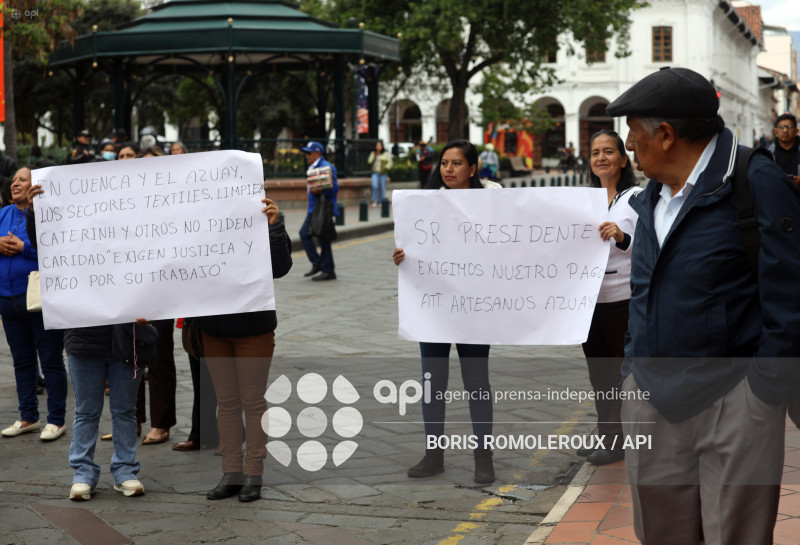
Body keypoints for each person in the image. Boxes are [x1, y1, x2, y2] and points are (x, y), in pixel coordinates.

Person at [607, 67, 800, 544]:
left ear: (667, 135)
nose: (629, 144)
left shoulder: (754, 183)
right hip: (652, 397)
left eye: (633, 131)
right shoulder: (650, 195)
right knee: (660, 533)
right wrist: (632, 370)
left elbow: (790, 297)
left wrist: (761, 392)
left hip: (734, 399)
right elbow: (645, 288)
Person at [23, 182, 145, 500]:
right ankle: (83, 473)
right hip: (82, 340)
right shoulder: (70, 245)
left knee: (124, 410)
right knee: (87, 411)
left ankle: (125, 471)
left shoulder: (138, 243)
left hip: (126, 340)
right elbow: (44, 245)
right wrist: (36, 214)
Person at [392, 140, 501, 484]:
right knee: (432, 382)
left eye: (456, 163)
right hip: (434, 309)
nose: (448, 169)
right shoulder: (426, 205)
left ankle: (484, 457)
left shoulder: (493, 202)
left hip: (473, 309)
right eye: (444, 163)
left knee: (477, 382)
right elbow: (413, 248)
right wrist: (402, 257)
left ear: (473, 168)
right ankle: (433, 454)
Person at [198, 194, 292, 502]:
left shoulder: (262, 215)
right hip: (214, 328)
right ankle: (231, 473)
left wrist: (275, 227)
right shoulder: (198, 219)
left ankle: (254, 473)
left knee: (252, 401)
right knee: (226, 402)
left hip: (254, 327)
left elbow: (280, 268)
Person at [579, 130, 641, 466]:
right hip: (587, 302)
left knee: (622, 373)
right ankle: (608, 435)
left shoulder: (637, 198)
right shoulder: (582, 200)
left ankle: (621, 440)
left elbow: (648, 245)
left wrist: (621, 236)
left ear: (623, 158)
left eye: (608, 152)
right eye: (595, 153)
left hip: (622, 300)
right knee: (599, 374)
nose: (601, 158)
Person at [0, 166, 68, 442]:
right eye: (14, 179)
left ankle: (56, 420)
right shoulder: (2, 214)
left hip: (40, 300)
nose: (15, 183)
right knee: (21, 361)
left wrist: (23, 248)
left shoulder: (46, 214)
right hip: (8, 299)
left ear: (35, 185)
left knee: (51, 361)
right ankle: (28, 416)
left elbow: (57, 253)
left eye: (22, 180)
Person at [298, 141, 338, 281]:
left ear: (317, 153)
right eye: (306, 153)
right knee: (322, 238)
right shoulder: (314, 167)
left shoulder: (326, 167)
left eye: (308, 153)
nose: (306, 156)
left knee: (308, 234)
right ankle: (325, 268)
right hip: (315, 208)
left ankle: (322, 266)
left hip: (322, 209)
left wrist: (321, 189)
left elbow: (334, 188)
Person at [767, 112, 800, 185]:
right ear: (776, 132)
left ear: (796, 131)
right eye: (781, 127)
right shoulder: (768, 154)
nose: (785, 130)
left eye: (789, 127)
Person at [367, 140, 392, 207]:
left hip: (383, 172)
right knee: (374, 185)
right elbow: (369, 161)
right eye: (377, 145)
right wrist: (374, 156)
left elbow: (390, 162)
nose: (378, 147)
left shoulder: (385, 154)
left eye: (379, 145)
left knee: (382, 187)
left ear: (382, 146)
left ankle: (381, 201)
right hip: (375, 172)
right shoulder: (373, 153)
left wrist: (386, 168)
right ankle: (375, 200)